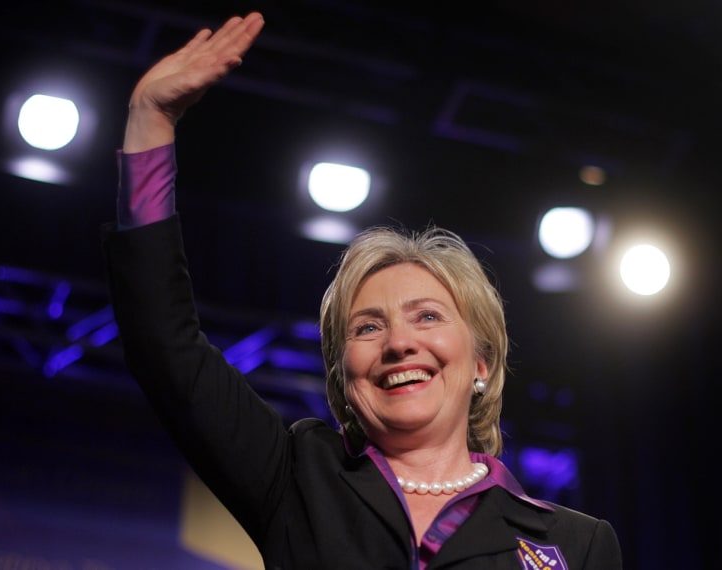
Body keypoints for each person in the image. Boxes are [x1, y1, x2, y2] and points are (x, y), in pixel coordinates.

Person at [101, 12, 623, 569]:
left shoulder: (574, 543)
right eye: (368, 326)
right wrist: (149, 117)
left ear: (482, 364)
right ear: (343, 380)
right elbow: (165, 345)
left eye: (426, 317)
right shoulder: (296, 475)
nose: (398, 343)